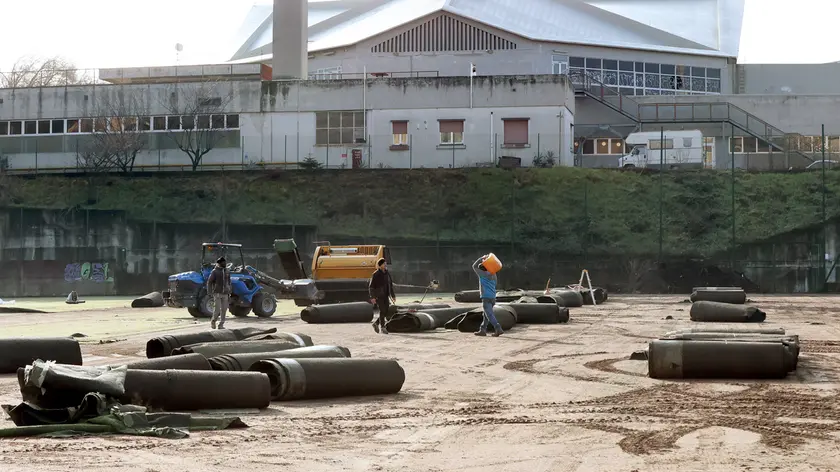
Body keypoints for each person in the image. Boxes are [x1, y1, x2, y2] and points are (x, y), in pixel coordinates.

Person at [473, 255, 503, 337]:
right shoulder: (493, 275)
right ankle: (482, 330)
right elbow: (495, 284)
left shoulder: (482, 274)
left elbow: (474, 266)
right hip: (493, 297)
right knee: (486, 314)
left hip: (485, 297)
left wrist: (480, 258)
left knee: (489, 314)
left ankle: (498, 328)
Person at [369, 258, 396, 334]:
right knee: (382, 310)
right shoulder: (375, 274)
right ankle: (383, 327)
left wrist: (393, 295)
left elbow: (390, 285)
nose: (385, 265)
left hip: (386, 295)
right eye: (384, 264)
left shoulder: (387, 273)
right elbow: (371, 287)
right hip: (379, 296)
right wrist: (372, 297)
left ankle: (376, 323)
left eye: (385, 263)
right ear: (380, 265)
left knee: (386, 310)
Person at [206, 257, 231, 330]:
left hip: (225, 293)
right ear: (219, 263)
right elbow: (209, 282)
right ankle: (213, 321)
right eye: (223, 262)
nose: (225, 264)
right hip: (217, 293)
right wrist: (209, 292)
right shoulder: (215, 271)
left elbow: (229, 282)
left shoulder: (227, 271)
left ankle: (221, 324)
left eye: (225, 262)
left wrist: (230, 291)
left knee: (224, 309)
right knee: (217, 309)